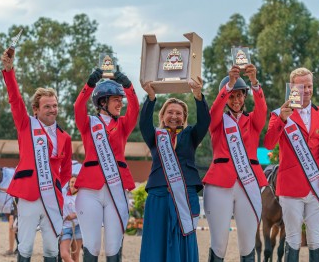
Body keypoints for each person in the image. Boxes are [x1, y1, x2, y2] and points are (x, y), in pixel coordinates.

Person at [264, 67, 319, 261]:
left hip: (318, 187)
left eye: (309, 86)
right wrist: (282, 120)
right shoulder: (279, 113)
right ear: (291, 88)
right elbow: (268, 143)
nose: (306, 91)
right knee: (293, 239)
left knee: (315, 240)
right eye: (301, 87)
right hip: (290, 187)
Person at [1, 50, 72, 262]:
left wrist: (60, 190)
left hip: (52, 198)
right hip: (28, 195)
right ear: (36, 109)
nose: (52, 110)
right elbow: (14, 98)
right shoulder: (26, 125)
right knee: (26, 246)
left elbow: (66, 170)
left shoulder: (65, 137)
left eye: (55, 105)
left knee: (52, 249)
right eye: (47, 106)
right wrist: (8, 70)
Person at [139, 77, 210, 262]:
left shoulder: (191, 135)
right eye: (170, 112)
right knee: (157, 240)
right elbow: (144, 123)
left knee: (183, 238)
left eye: (179, 113)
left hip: (184, 195)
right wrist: (151, 97)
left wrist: (198, 95)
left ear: (184, 118)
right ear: (162, 116)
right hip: (159, 194)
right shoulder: (155, 136)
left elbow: (204, 122)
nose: (174, 116)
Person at [203, 64, 268, 262]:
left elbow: (263, 108)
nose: (236, 100)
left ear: (245, 96)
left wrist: (255, 83)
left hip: (248, 182)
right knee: (219, 243)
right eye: (232, 96)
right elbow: (213, 111)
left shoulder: (253, 121)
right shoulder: (218, 121)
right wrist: (228, 86)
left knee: (248, 242)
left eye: (239, 95)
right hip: (219, 184)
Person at [74, 67, 139, 261]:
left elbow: (135, 108)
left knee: (113, 246)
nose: (121, 104)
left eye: (121, 100)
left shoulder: (123, 124)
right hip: (90, 191)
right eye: (116, 100)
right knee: (92, 245)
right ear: (103, 102)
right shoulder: (88, 123)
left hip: (116, 189)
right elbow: (78, 106)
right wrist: (89, 84)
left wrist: (128, 85)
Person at [60, 175, 83, 262]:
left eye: (75, 182)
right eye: (72, 182)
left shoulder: (82, 196)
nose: (73, 184)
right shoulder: (63, 194)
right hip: (65, 227)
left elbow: (87, 210)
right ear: (69, 183)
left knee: (75, 256)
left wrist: (76, 215)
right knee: (64, 254)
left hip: (78, 227)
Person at [0, 166, 17, 256]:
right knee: (12, 226)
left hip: (14, 203)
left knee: (13, 226)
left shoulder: (10, 174)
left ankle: (12, 249)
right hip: (7, 202)